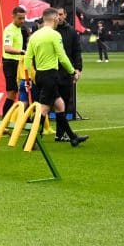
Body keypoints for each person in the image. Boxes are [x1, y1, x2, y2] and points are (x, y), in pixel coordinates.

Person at [24, 8, 87, 148]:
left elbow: (27, 60)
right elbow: (62, 56)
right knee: (44, 110)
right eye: (57, 18)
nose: (59, 19)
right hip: (50, 76)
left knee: (60, 105)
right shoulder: (54, 35)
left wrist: (32, 77)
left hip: (40, 75)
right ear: (54, 19)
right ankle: (30, 141)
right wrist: (73, 71)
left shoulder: (34, 36)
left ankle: (73, 138)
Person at [55, 7, 83, 142]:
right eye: (56, 14)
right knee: (46, 104)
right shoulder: (49, 31)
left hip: (66, 72)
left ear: (65, 15)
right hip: (51, 72)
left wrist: (78, 69)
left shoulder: (71, 31)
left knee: (64, 103)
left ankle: (59, 134)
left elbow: (77, 51)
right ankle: (37, 134)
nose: (59, 17)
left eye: (61, 14)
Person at [1, 6, 27, 117]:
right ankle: (4, 122)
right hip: (10, 63)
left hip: (20, 64)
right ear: (13, 17)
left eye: (23, 18)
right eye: (19, 18)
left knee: (23, 90)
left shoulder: (21, 29)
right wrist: (21, 51)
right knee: (11, 94)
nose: (22, 21)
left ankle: (24, 119)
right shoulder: (9, 30)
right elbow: (7, 48)